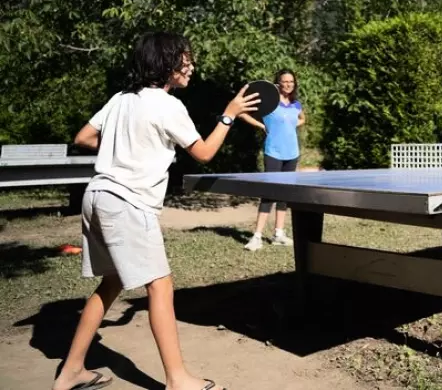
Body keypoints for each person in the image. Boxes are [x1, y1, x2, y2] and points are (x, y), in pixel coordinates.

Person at [53, 31, 259, 390]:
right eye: (185, 58)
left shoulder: (121, 99)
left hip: (98, 196)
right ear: (166, 63)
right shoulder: (168, 106)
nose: (191, 65)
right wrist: (228, 116)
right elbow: (205, 153)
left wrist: (127, 143)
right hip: (127, 203)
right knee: (161, 286)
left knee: (113, 282)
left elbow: (83, 137)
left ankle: (71, 370)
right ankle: (178, 379)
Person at [238, 68, 305, 251]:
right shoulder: (269, 103)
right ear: (278, 83)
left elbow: (302, 119)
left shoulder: (296, 104)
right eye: (285, 81)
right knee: (269, 194)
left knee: (284, 194)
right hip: (273, 152)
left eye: (291, 81)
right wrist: (262, 125)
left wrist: (290, 126)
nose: (288, 84)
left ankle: (279, 233)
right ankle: (257, 236)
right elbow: (242, 113)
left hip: (292, 153)